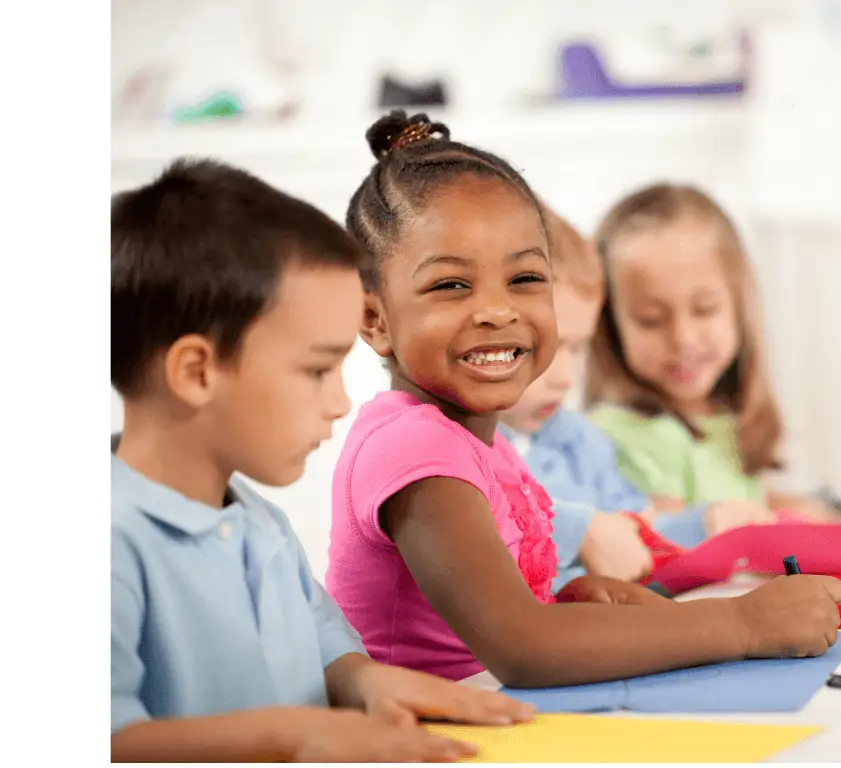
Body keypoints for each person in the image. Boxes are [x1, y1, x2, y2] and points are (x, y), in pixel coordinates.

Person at [327, 111, 841, 689]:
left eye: (525, 278)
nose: (499, 310)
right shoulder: (412, 448)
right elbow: (523, 648)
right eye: (452, 285)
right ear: (374, 319)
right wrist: (742, 624)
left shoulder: (481, 442)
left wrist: (571, 600)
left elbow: (510, 621)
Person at [111, 159, 531, 762]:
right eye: (316, 371)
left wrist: (366, 683)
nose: (338, 404)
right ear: (197, 371)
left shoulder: (259, 522)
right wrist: (294, 736)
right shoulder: (109, 542)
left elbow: (326, 648)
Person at [497, 209, 772, 588]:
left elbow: (638, 525)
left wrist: (707, 521)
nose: (565, 378)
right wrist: (581, 532)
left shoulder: (581, 442)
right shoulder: (468, 449)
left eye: (576, 349)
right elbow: (483, 525)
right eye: (533, 349)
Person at [586, 183, 841, 521]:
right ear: (612, 326)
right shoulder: (617, 435)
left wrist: (816, 509)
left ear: (739, 305)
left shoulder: (723, 420)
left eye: (704, 309)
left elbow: (741, 496)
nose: (682, 338)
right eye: (650, 320)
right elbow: (667, 534)